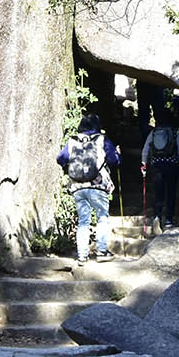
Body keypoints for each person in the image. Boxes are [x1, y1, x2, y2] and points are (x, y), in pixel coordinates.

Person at [56, 113, 119, 263]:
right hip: (98, 185)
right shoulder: (101, 139)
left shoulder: (73, 141)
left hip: (77, 186)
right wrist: (118, 156)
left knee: (83, 221)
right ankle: (102, 252)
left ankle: (82, 256)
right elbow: (113, 160)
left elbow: (60, 159)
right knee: (102, 217)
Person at [141, 105, 179, 236]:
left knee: (158, 193)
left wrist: (144, 163)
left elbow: (145, 149)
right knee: (171, 192)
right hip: (172, 166)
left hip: (156, 166)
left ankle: (157, 216)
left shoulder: (153, 132)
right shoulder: (173, 132)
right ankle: (169, 220)